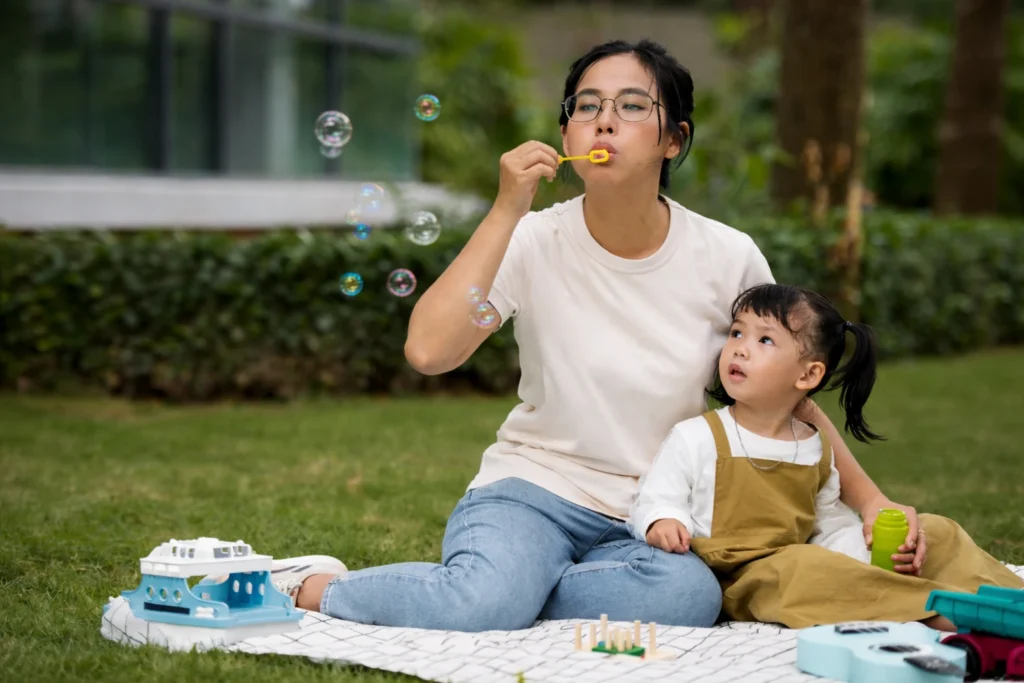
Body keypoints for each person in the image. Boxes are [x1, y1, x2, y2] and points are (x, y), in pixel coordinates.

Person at [247, 39, 935, 632]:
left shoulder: (728, 257)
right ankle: (311, 584)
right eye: (585, 104)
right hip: (532, 489)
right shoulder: (534, 239)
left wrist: (871, 502)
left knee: (690, 594)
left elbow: (786, 395)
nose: (604, 117)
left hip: (654, 508)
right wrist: (506, 209)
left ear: (675, 139)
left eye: (634, 105)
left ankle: (516, 589)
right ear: (569, 133)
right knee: (481, 601)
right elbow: (429, 351)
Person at [632, 283, 1024, 630]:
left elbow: (828, 519)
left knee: (936, 529)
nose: (740, 348)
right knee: (805, 568)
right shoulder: (698, 435)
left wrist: (862, 550)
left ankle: (1007, 597)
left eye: (764, 340)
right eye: (737, 332)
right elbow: (655, 495)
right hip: (743, 577)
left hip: (806, 559)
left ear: (807, 376)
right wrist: (663, 519)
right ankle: (939, 612)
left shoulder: (814, 445)